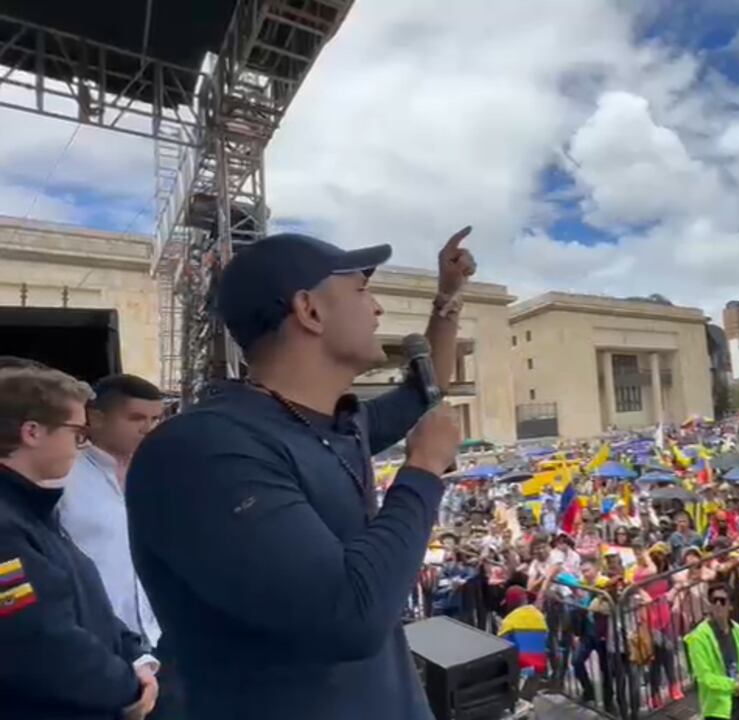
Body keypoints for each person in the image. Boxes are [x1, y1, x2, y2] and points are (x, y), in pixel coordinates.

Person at [126, 229, 475, 720]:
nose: (377, 310)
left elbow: (427, 389)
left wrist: (447, 299)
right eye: (361, 291)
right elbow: (347, 617)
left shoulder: (339, 424)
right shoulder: (202, 451)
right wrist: (422, 470)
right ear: (309, 311)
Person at [0, 366, 158, 719]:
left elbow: (87, 600)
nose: (81, 444)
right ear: (32, 432)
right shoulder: (6, 528)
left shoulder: (35, 512)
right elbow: (32, 637)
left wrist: (134, 655)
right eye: (76, 432)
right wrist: (127, 686)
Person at [58, 374, 179, 716]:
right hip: (99, 645)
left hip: (161, 643)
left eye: (156, 419)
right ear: (95, 418)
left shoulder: (161, 475)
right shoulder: (64, 476)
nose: (148, 428)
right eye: (136, 418)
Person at [684, 582, 739, 720]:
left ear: (730, 606)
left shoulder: (737, 629)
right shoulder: (698, 638)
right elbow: (705, 677)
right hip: (718, 709)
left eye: (722, 601)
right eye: (713, 600)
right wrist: (735, 685)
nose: (717, 605)